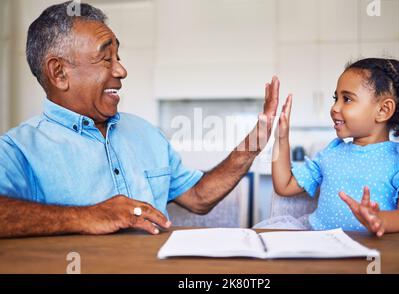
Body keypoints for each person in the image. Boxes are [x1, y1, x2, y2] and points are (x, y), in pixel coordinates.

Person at [0, 2, 280, 238]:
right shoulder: (17, 150)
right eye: (105, 58)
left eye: (118, 56)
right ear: (59, 73)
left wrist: (254, 142)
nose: (121, 70)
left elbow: (198, 197)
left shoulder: (146, 133)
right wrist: (85, 217)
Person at [257, 58, 399, 237]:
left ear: (383, 110)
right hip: (319, 244)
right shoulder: (332, 152)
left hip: (374, 252)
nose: (335, 107)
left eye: (347, 99)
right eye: (336, 98)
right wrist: (281, 138)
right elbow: (284, 185)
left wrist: (380, 219)